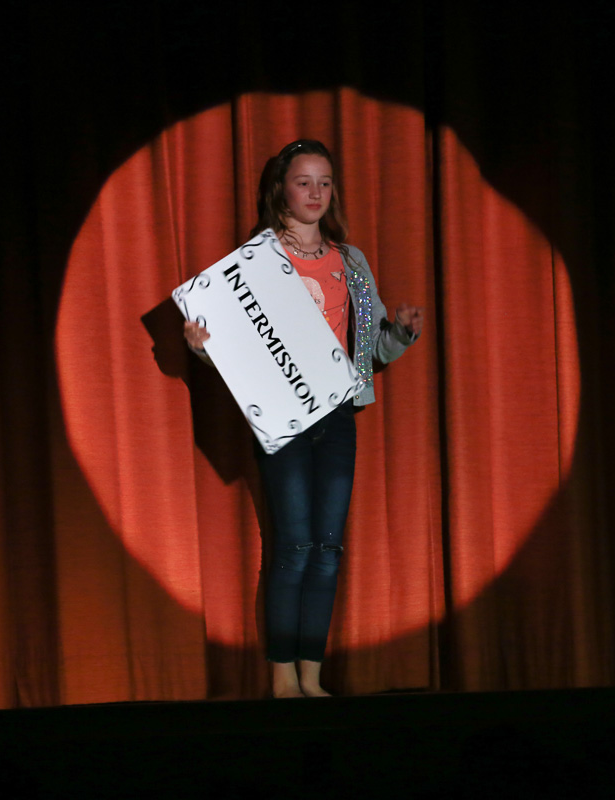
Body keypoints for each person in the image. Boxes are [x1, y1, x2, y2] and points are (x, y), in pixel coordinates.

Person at [184, 139, 423, 697]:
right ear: (281, 191)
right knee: (293, 545)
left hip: (337, 416)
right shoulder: (256, 262)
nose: (315, 193)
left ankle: (311, 677)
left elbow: (373, 349)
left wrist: (401, 333)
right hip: (284, 417)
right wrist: (202, 347)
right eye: (303, 182)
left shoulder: (351, 263)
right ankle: (281, 678)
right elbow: (235, 349)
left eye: (324, 182)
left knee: (327, 548)